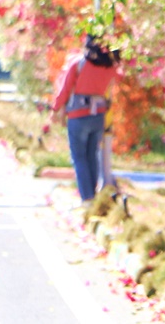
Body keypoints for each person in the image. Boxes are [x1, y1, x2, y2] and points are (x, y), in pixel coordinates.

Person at [51, 36, 120, 205]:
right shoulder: (110, 67)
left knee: (79, 157)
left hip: (78, 114)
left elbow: (65, 89)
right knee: (92, 156)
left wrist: (55, 109)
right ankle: (93, 196)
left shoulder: (78, 64)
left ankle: (87, 198)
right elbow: (116, 81)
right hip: (98, 116)